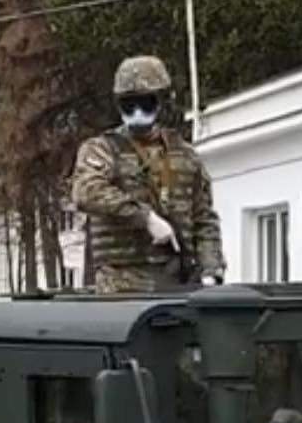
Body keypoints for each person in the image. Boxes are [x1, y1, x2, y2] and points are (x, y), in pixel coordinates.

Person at [70, 56, 225, 293]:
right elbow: (86, 191)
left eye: (146, 103)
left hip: (178, 279)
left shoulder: (184, 154)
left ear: (161, 102)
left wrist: (211, 272)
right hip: (122, 281)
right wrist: (146, 218)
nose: (138, 112)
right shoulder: (102, 149)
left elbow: (204, 219)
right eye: (129, 105)